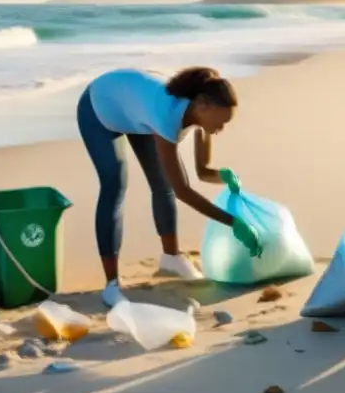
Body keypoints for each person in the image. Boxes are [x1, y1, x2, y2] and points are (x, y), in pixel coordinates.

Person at [76, 66, 261, 307]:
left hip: (136, 110)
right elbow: (183, 190)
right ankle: (111, 284)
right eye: (221, 122)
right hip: (100, 107)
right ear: (202, 105)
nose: (221, 129)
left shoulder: (198, 112)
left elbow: (203, 171)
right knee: (115, 184)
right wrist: (235, 224)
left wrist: (225, 177)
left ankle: (171, 258)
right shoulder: (167, 117)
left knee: (162, 183)